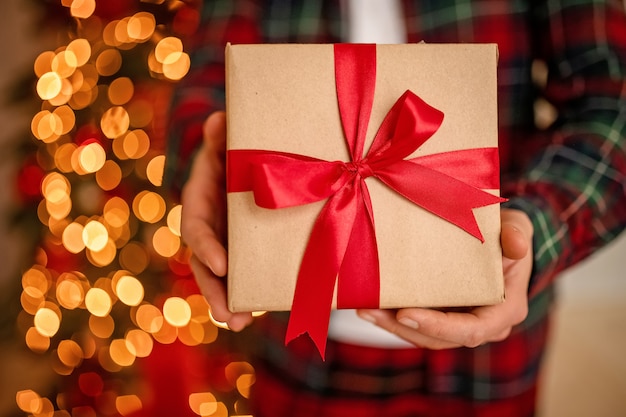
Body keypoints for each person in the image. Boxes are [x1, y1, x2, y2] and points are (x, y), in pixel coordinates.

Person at [165, 1, 626, 416]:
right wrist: (204, 161)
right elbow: (210, 78)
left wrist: (534, 225)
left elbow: (613, 100)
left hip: (488, 346)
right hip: (301, 344)